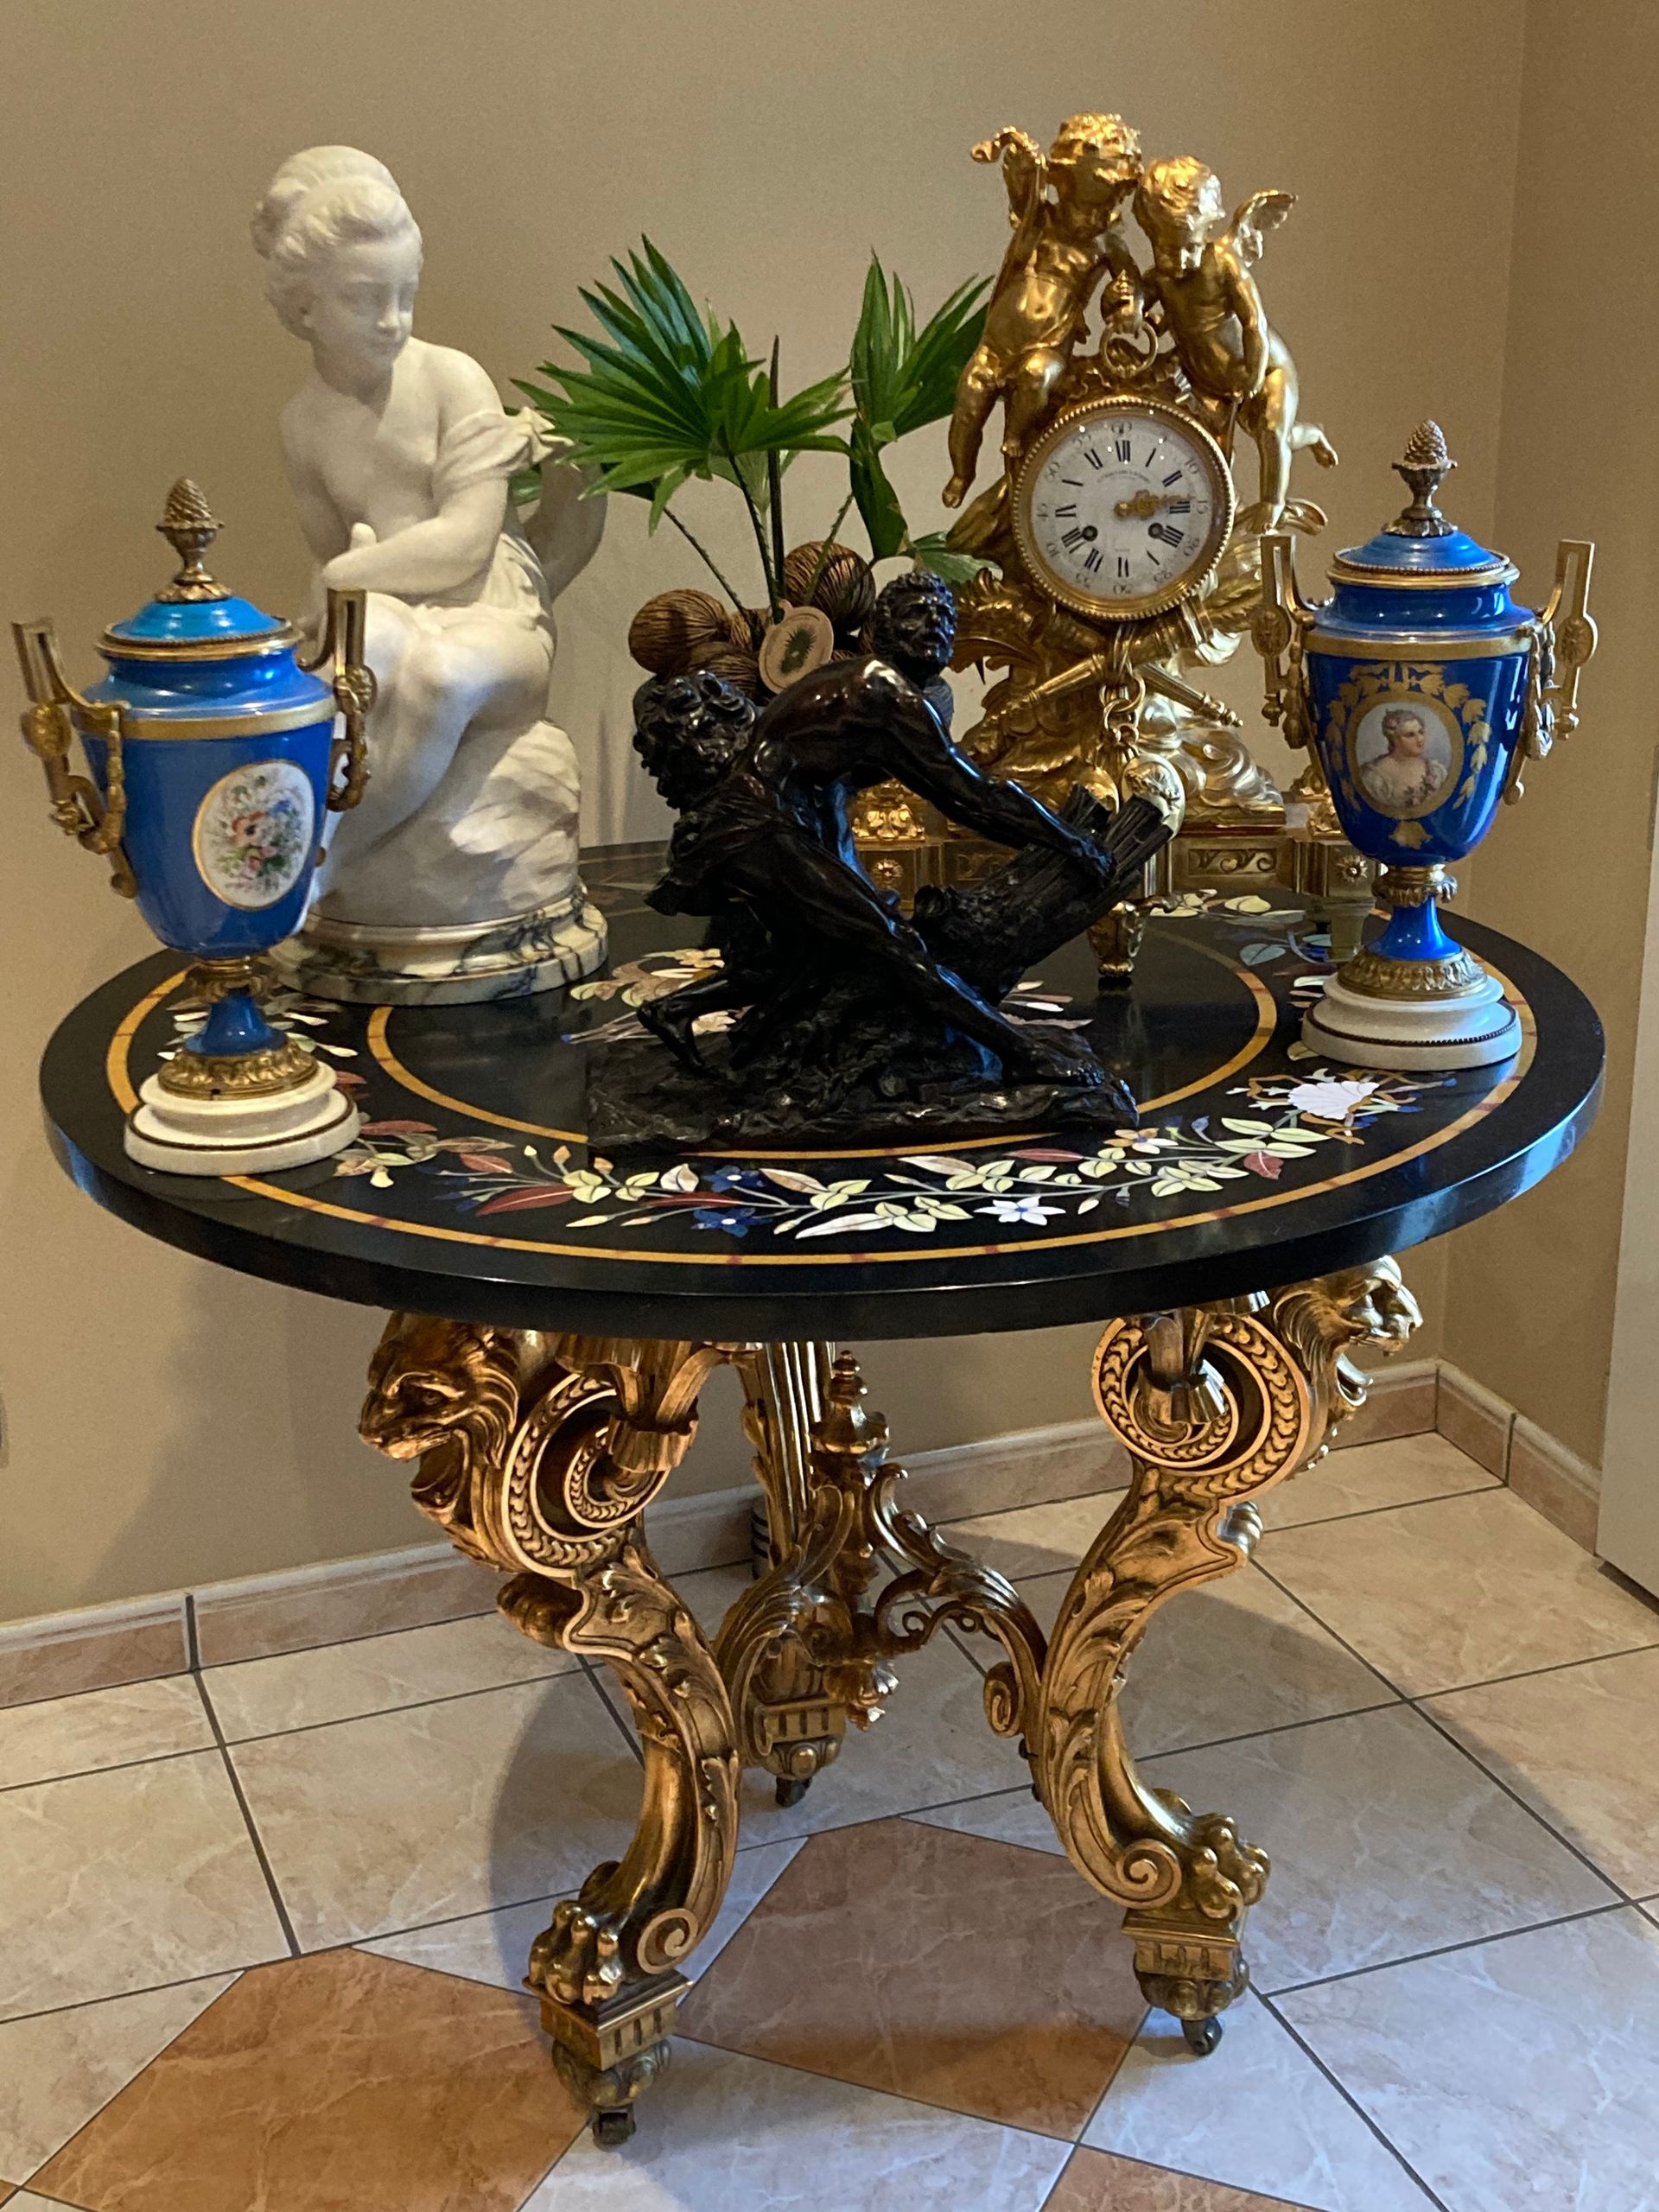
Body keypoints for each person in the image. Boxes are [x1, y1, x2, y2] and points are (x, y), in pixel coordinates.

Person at [251, 147, 602, 945]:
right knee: (357, 659)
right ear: (304, 308)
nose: (392, 319)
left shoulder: (452, 379)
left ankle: (332, 862)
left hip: (494, 616)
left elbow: (465, 543)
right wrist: (342, 589)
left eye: (405, 294)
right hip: (387, 606)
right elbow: (337, 560)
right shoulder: (303, 424)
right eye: (364, 298)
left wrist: (348, 573)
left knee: (440, 677)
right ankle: (316, 852)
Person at [630, 573, 1157, 1092]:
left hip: (764, 821)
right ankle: (1020, 1053)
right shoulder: (879, 688)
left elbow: (938, 793)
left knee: (811, 956)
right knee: (893, 944)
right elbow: (973, 795)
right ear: (882, 631)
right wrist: (1070, 842)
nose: (933, 625)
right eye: (916, 614)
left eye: (944, 617)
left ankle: (674, 1011)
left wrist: (1060, 839)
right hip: (755, 823)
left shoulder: (869, 690)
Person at [1134, 156, 1336, 534]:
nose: (1179, 261)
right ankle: (1309, 436)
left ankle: (1273, 503)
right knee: (1211, 449)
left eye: (1190, 248)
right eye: (1166, 251)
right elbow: (1144, 299)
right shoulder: (1161, 277)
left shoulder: (1224, 262)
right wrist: (1130, 306)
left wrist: (1255, 375)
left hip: (1264, 370)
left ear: (1206, 229)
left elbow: (1254, 322)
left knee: (1271, 433)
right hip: (1209, 381)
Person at [1359, 707, 1446, 811]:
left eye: (1421, 732)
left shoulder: (1435, 769)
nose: (1420, 739)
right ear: (1395, 739)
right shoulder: (1375, 775)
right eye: (1410, 735)